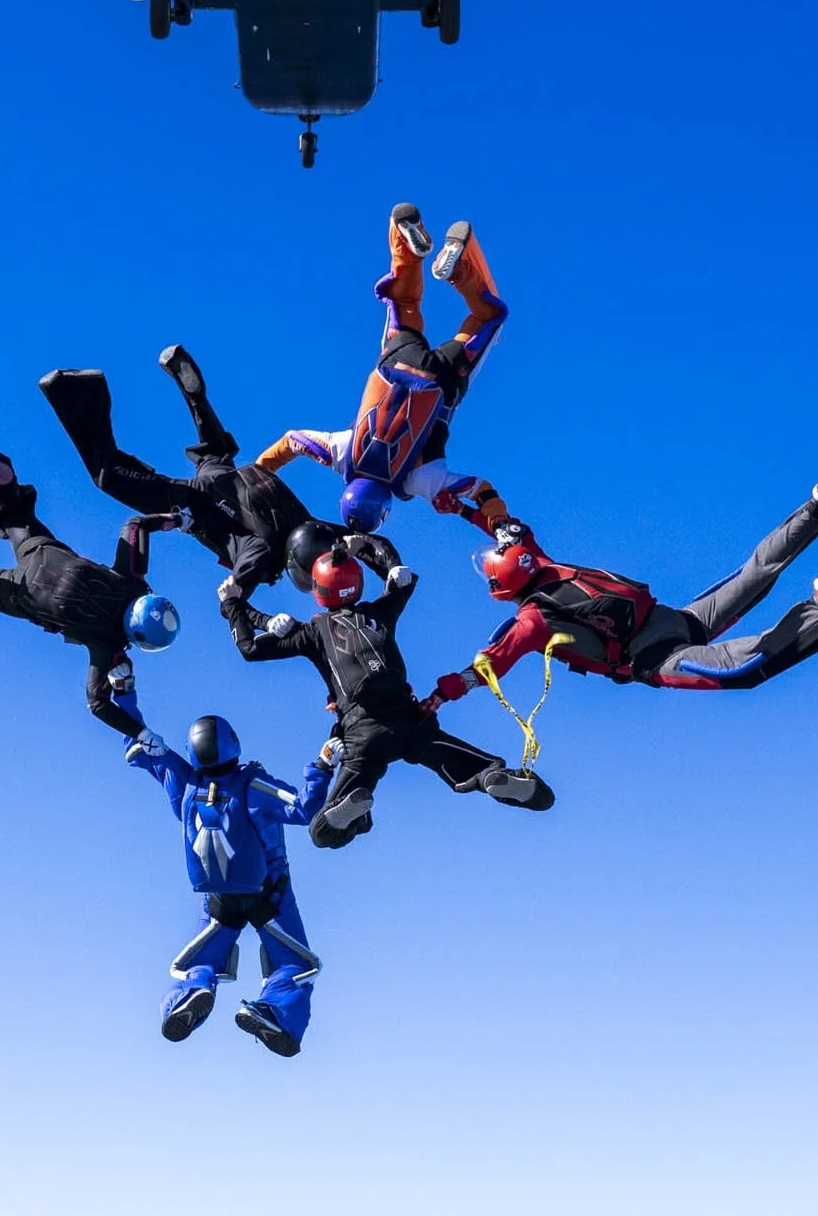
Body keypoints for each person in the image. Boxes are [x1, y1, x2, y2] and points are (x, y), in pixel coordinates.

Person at [425, 476, 818, 706]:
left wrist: (441, 696)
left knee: (742, 671)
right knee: (757, 570)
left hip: (654, 657)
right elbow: (493, 504)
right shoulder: (533, 553)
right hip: (674, 619)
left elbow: (489, 664)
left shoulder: (529, 621)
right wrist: (462, 506)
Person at [221, 533, 551, 848]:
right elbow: (401, 574)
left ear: (318, 590)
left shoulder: (312, 632)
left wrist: (236, 606)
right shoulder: (381, 611)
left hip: (363, 734)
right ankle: (489, 777)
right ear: (357, 582)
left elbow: (249, 648)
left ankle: (358, 815)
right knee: (464, 764)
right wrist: (366, 545)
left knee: (322, 833)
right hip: (410, 720)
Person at [255, 205, 513, 539]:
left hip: (442, 382)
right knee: (405, 303)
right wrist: (258, 473)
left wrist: (499, 521)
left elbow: (480, 488)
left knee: (488, 318)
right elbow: (292, 441)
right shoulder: (341, 452)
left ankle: (461, 269)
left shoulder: (419, 480)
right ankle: (407, 242)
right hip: (396, 362)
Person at [0, 443, 180, 734]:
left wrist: (177, 520)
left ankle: (1, 485)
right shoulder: (110, 646)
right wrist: (141, 733)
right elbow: (97, 703)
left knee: (16, 515)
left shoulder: (132, 581)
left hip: (44, 554)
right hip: (24, 592)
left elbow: (135, 526)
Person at [122, 705, 334, 1056]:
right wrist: (323, 766)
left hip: (217, 899)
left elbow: (135, 739)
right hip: (270, 894)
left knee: (202, 961)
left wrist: (122, 689)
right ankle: (274, 1012)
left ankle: (193, 991)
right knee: (294, 965)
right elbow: (303, 807)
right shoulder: (252, 784)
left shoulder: (183, 779)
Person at [40, 345, 322, 596]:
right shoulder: (266, 558)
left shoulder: (309, 525)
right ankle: (75, 390)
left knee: (213, 451)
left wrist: (362, 545)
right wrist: (236, 600)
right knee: (109, 478)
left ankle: (196, 398)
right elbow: (243, 577)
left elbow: (349, 537)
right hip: (196, 502)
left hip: (229, 479)